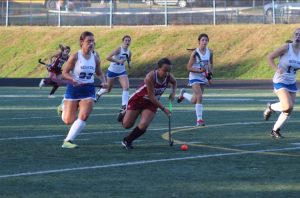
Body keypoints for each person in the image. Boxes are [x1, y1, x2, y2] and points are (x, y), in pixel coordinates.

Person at [60, 31, 107, 148]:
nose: (91, 44)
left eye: (93, 41)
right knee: (68, 121)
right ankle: (63, 106)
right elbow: (64, 73)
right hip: (74, 89)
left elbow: (99, 72)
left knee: (84, 115)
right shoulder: (75, 56)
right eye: (88, 41)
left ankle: (68, 141)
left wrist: (104, 81)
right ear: (82, 42)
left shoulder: (95, 57)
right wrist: (73, 79)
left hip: (88, 89)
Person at [121, 57, 177, 149]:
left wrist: (173, 93)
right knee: (127, 125)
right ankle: (123, 112)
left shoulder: (169, 76)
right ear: (158, 68)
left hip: (151, 103)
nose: (167, 73)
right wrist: (164, 109)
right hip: (138, 99)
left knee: (144, 125)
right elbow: (151, 96)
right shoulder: (150, 77)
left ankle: (127, 141)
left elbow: (174, 83)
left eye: (169, 71)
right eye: (164, 71)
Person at [263, 28, 300, 139]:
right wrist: (276, 69)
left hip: (291, 82)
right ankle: (271, 107)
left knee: (289, 110)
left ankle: (275, 130)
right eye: (296, 34)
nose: (298, 37)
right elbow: (269, 57)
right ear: (293, 36)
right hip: (280, 80)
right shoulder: (286, 48)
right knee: (287, 106)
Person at [177, 33, 213, 126]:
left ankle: (183, 94)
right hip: (194, 76)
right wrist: (199, 70)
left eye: (206, 40)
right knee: (200, 96)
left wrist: (210, 76)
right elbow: (188, 67)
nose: (204, 42)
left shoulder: (210, 52)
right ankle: (199, 120)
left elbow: (211, 64)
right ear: (199, 42)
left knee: (195, 100)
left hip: (203, 77)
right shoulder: (195, 53)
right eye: (203, 40)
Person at [95, 35, 132, 120]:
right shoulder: (119, 49)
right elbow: (108, 57)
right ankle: (98, 93)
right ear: (123, 41)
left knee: (126, 88)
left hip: (122, 72)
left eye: (129, 41)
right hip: (112, 71)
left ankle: (124, 106)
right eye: (126, 40)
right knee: (108, 89)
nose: (127, 42)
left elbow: (129, 59)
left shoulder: (129, 52)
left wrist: (129, 64)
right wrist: (118, 61)